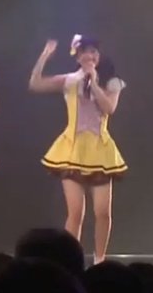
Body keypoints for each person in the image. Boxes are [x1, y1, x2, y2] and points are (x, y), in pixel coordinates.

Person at [29, 35, 127, 263]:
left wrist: (94, 81)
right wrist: (45, 55)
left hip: (100, 149)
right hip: (72, 149)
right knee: (75, 213)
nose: (90, 56)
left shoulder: (111, 81)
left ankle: (99, 260)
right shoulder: (70, 80)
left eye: (94, 52)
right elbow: (35, 84)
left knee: (103, 213)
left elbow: (109, 108)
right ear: (78, 56)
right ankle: (70, 260)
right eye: (85, 52)